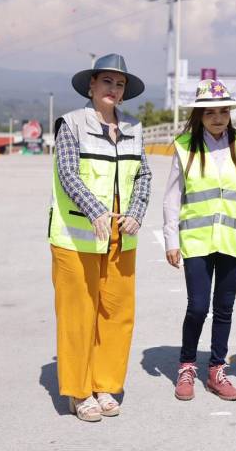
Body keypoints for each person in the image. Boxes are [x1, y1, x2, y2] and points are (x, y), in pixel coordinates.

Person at [48, 54, 152, 422]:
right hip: (76, 238)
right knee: (78, 315)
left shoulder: (134, 128)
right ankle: (79, 392)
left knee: (117, 313)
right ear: (91, 86)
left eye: (119, 84)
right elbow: (68, 173)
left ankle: (105, 384)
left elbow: (143, 175)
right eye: (107, 81)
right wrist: (95, 211)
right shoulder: (71, 124)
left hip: (121, 238)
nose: (114, 88)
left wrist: (136, 212)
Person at [163, 79, 236, 402]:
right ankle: (187, 366)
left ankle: (217, 369)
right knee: (198, 306)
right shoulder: (185, 146)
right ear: (199, 115)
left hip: (234, 239)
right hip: (197, 239)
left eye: (223, 111)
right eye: (210, 113)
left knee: (224, 307)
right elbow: (172, 196)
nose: (218, 118)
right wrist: (170, 238)